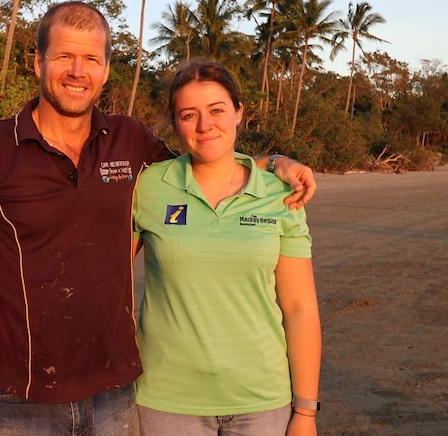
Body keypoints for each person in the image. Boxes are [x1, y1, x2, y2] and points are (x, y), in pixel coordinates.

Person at [0, 1, 316, 436]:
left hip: (117, 390)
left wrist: (273, 161)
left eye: (90, 59)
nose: (76, 71)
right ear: (37, 63)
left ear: (105, 70)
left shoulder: (129, 142)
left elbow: (205, 162)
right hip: (21, 395)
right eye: (63, 56)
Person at [132, 59, 321, 435]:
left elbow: (299, 308)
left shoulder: (281, 194)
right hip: (166, 401)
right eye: (189, 115)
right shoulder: (150, 186)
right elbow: (101, 272)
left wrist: (306, 412)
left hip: (263, 400)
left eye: (217, 110)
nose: (205, 125)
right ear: (175, 123)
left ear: (238, 113)